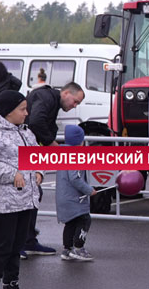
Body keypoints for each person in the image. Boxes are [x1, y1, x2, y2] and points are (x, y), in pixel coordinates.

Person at [20, 82, 85, 259]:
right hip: (19, 151)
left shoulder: (52, 101)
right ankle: (18, 242)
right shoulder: (46, 97)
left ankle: (28, 240)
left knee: (34, 193)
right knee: (25, 195)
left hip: (27, 151)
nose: (74, 106)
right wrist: (52, 144)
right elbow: (36, 121)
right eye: (75, 101)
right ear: (65, 93)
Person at [0, 90, 42, 289]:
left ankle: (11, 281)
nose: (26, 113)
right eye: (22, 109)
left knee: (17, 246)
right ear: (8, 111)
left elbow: (36, 155)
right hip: (5, 204)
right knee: (2, 247)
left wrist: (39, 171)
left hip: (26, 201)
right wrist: (12, 174)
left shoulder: (26, 132)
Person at [56, 125, 96, 262]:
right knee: (85, 219)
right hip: (75, 198)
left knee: (70, 222)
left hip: (63, 196)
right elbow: (75, 178)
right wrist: (89, 190)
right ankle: (79, 247)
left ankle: (67, 249)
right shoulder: (76, 155)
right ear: (80, 141)